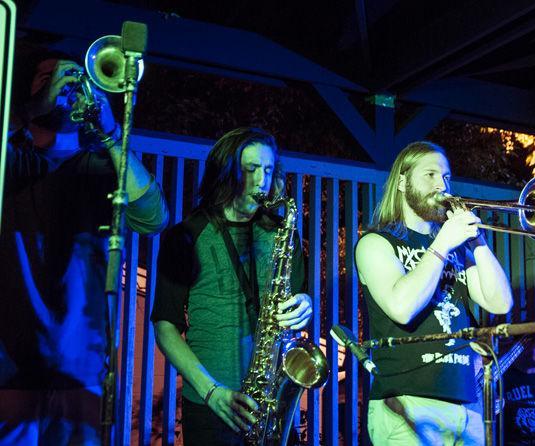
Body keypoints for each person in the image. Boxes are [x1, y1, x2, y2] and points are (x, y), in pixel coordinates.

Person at [0, 48, 169, 445]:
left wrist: (110, 132)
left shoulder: (102, 167)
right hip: (11, 367)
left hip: (83, 367)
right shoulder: (13, 157)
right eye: (48, 77)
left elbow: (154, 216)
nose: (63, 86)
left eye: (75, 78)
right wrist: (29, 109)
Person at [150, 127, 314, 445]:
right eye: (250, 169)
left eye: (268, 170)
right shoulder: (186, 235)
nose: (261, 180)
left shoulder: (282, 232)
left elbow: (299, 298)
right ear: (226, 171)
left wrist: (304, 303)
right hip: (214, 405)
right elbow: (165, 326)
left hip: (272, 403)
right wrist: (211, 391)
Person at [355, 141, 513, 446]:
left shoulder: (456, 246)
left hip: (466, 405)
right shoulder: (376, 243)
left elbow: (500, 301)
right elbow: (402, 306)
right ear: (402, 182)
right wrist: (442, 244)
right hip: (408, 404)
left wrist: (476, 240)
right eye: (430, 174)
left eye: (446, 177)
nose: (441, 184)